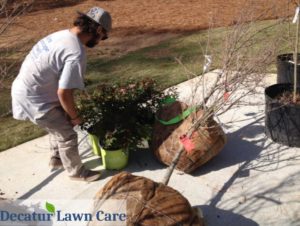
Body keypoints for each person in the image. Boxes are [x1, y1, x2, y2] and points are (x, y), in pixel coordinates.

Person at [11, 7, 112, 182]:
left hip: (27, 89)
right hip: (34, 98)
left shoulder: (60, 36)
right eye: (104, 36)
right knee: (68, 134)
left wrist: (67, 112)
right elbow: (64, 92)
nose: (102, 40)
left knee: (58, 122)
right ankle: (77, 172)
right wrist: (75, 117)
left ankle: (57, 159)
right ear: (98, 30)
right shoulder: (75, 52)